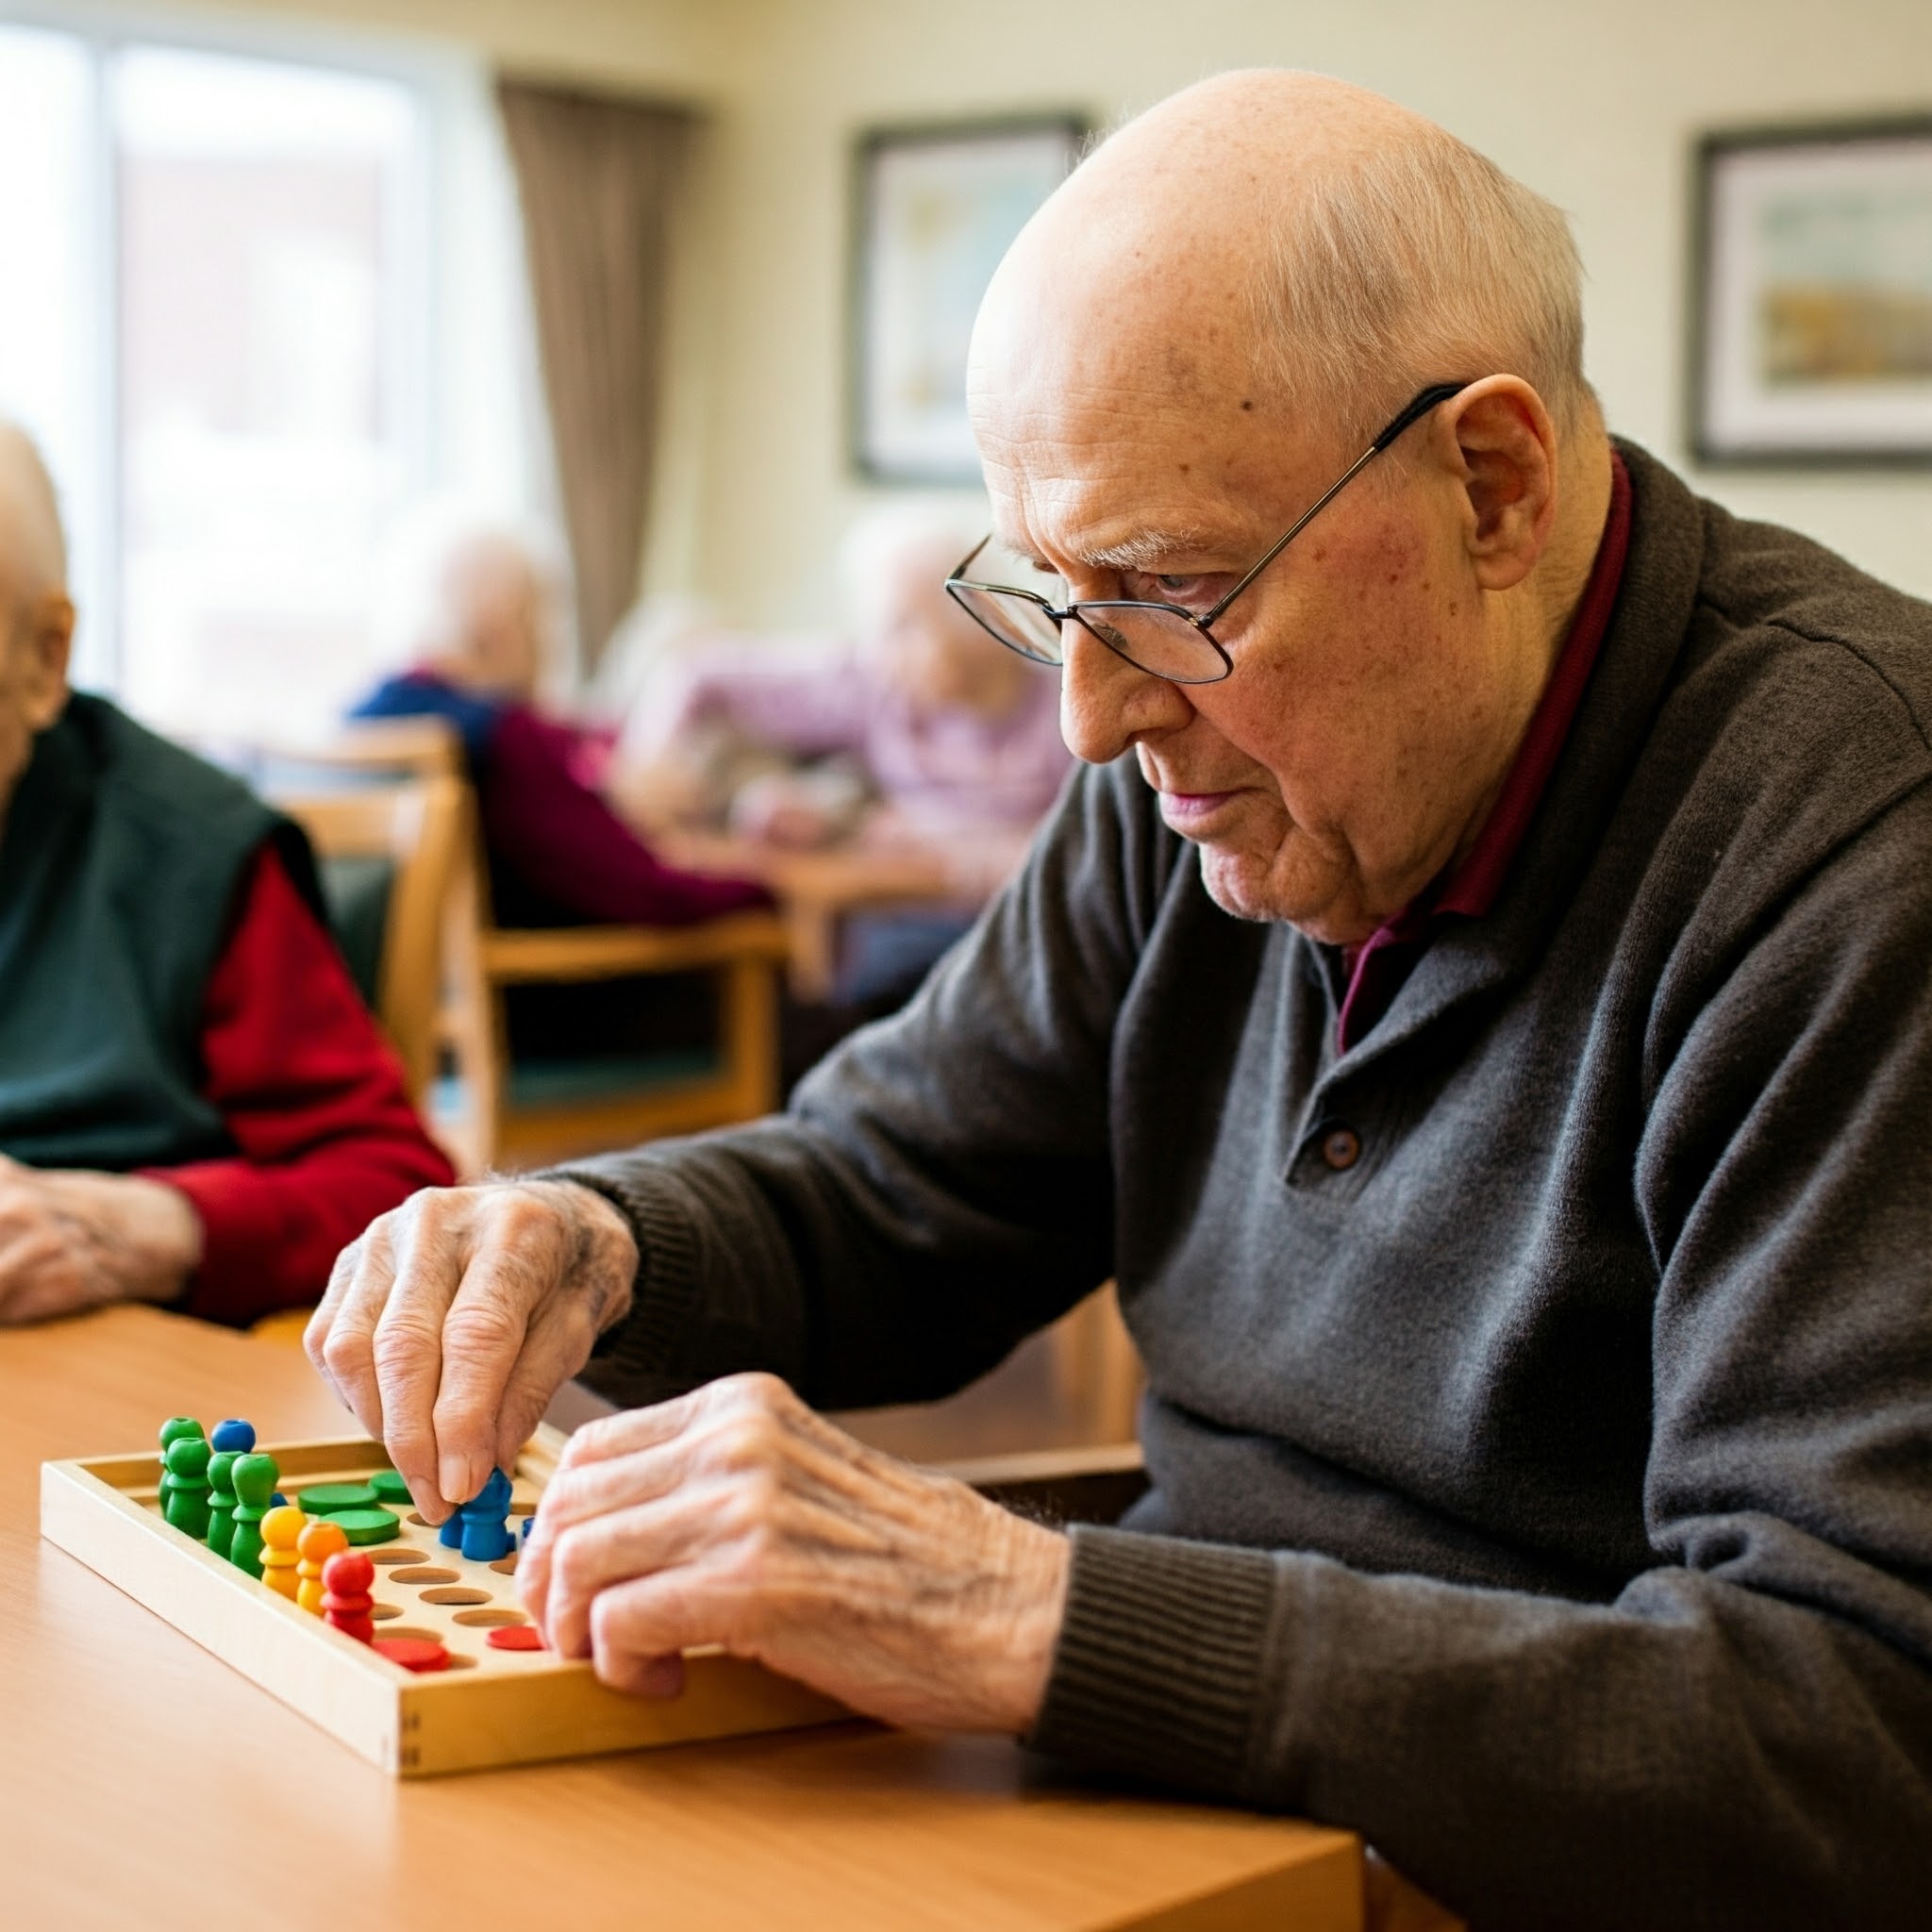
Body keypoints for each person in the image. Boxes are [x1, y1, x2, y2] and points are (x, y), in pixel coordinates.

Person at [306, 72, 1932, 1931]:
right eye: (1050, 594)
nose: (1092, 720)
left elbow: (1853, 1737)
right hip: (1182, 1816)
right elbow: (905, 1179)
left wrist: (1024, 1609)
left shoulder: (1860, 838)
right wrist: (591, 1236)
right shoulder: (1210, 764)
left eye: (1168, 587)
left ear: (1493, 484)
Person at [0, 422, 455, 1326]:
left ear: (47, 658)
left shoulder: (190, 856)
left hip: (118, 1382)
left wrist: (148, 1226)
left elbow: (398, 1187)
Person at [351, 515, 769, 933]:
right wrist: (772, 880)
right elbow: (647, 888)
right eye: (540, 617)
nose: (550, 644)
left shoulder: (363, 721)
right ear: (497, 622)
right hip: (546, 987)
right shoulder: (507, 740)